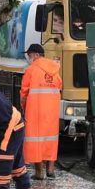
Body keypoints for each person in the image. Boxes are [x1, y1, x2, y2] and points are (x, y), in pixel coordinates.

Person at [20, 44, 62, 179]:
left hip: (35, 110)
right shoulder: (55, 69)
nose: (29, 58)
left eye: (30, 55)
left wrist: (23, 106)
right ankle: (51, 170)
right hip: (52, 110)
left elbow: (24, 92)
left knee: (36, 140)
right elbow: (59, 87)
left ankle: (39, 173)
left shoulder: (31, 70)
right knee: (51, 138)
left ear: (36, 55)